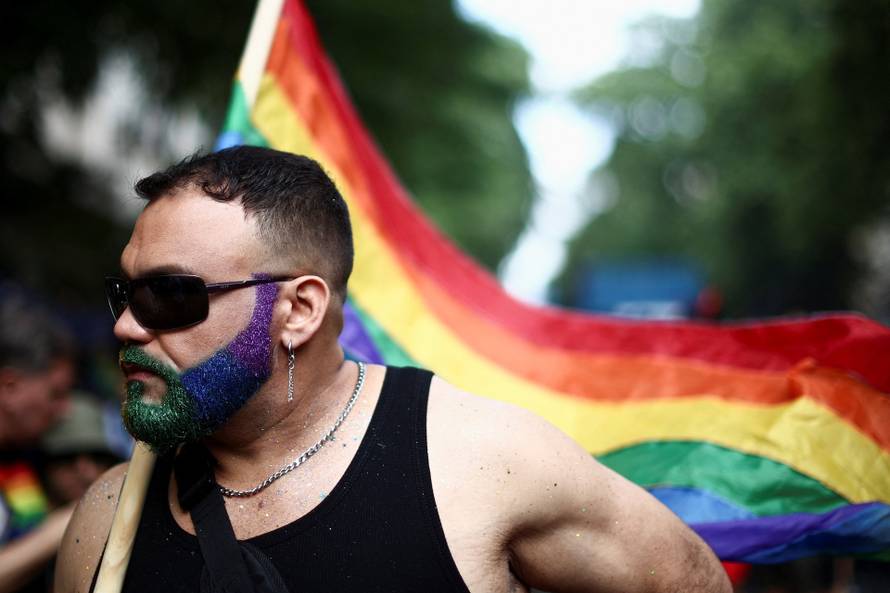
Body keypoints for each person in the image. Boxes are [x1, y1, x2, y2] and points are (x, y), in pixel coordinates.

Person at [56, 146, 731, 593]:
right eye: (125, 294)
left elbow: (692, 580)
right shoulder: (108, 516)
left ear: (298, 310)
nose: (125, 326)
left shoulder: (483, 462)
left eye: (169, 296)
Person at [0, 294, 76, 593]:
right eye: (55, 394)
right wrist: (62, 526)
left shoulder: (21, 458)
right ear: (10, 386)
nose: (65, 409)